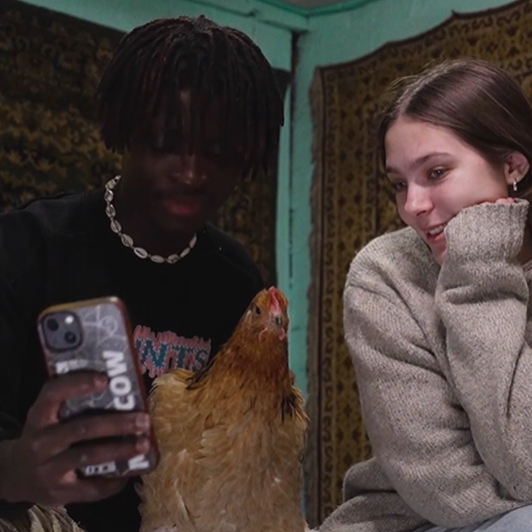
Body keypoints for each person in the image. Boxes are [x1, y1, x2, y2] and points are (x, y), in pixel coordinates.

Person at [0, 14, 284, 532]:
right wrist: (18, 470)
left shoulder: (237, 282)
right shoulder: (26, 247)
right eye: (166, 142)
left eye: (219, 152)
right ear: (127, 129)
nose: (192, 173)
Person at [319, 58, 532, 532]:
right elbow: (447, 489)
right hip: (413, 521)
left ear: (512, 165)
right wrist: (479, 268)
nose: (412, 205)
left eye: (436, 173)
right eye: (399, 184)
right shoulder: (385, 275)